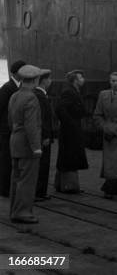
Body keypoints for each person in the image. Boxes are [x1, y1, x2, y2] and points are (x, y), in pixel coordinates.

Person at [8, 64, 43, 224]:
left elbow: (10, 121)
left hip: (15, 141)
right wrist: (36, 147)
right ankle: (23, 212)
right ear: (35, 80)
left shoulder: (14, 96)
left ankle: (14, 210)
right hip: (27, 145)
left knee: (16, 178)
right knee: (27, 180)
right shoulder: (31, 98)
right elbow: (31, 125)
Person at [55, 70, 88, 193]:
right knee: (70, 156)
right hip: (70, 131)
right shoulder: (69, 92)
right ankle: (70, 186)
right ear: (75, 80)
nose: (83, 79)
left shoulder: (73, 90)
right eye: (81, 77)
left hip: (70, 129)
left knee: (66, 156)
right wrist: (70, 123)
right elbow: (60, 109)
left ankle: (61, 184)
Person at [0, 60, 25, 197]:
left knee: (13, 160)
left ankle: (11, 187)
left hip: (14, 130)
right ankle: (4, 189)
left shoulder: (19, 87)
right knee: (6, 160)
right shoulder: (7, 88)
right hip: (6, 131)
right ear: (18, 72)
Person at [34, 70, 53, 201]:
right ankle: (39, 192)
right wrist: (46, 136)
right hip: (43, 137)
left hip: (42, 135)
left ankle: (40, 191)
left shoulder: (40, 94)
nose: (51, 81)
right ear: (45, 80)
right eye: (49, 79)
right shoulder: (40, 96)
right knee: (43, 164)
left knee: (43, 165)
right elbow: (43, 119)